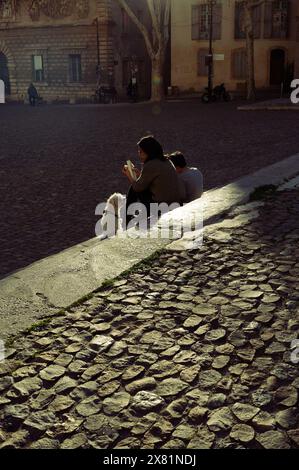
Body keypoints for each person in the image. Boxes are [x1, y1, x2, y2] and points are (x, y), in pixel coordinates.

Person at [122, 136, 186, 225]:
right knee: (137, 185)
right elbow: (155, 181)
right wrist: (139, 174)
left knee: (133, 189)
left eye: (141, 152)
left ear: (149, 152)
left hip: (162, 207)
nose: (139, 154)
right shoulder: (167, 161)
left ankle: (127, 219)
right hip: (176, 203)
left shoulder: (151, 165)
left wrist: (129, 175)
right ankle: (129, 217)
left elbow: (138, 188)